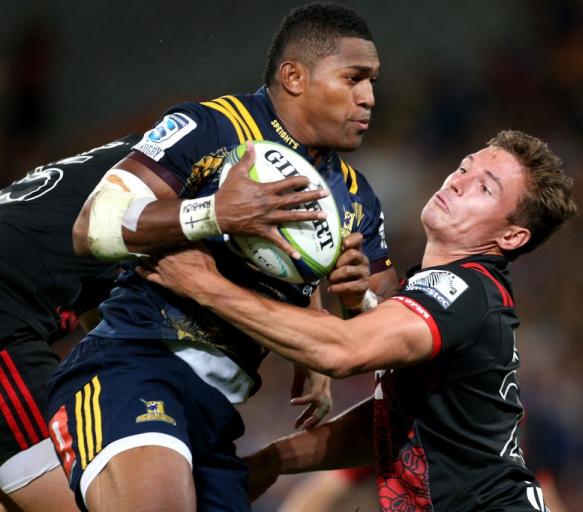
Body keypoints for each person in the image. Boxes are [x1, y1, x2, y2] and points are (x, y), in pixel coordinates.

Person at [46, 3, 399, 511]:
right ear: (294, 77)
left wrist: (357, 298)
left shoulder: (356, 196)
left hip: (217, 413)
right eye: (353, 79)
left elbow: (390, 317)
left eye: (373, 82)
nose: (368, 98)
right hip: (134, 364)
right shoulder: (211, 127)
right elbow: (93, 225)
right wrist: (211, 212)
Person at [138, 130, 578, 511]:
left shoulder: (463, 291)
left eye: (485, 188)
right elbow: (395, 426)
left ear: (511, 236)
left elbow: (340, 351)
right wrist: (275, 460)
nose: (458, 183)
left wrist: (204, 285)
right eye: (464, 167)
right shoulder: (449, 290)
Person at [0, 135, 141, 512]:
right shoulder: (181, 193)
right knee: (97, 503)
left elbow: (105, 312)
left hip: (14, 315)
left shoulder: (138, 169)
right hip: (4, 334)